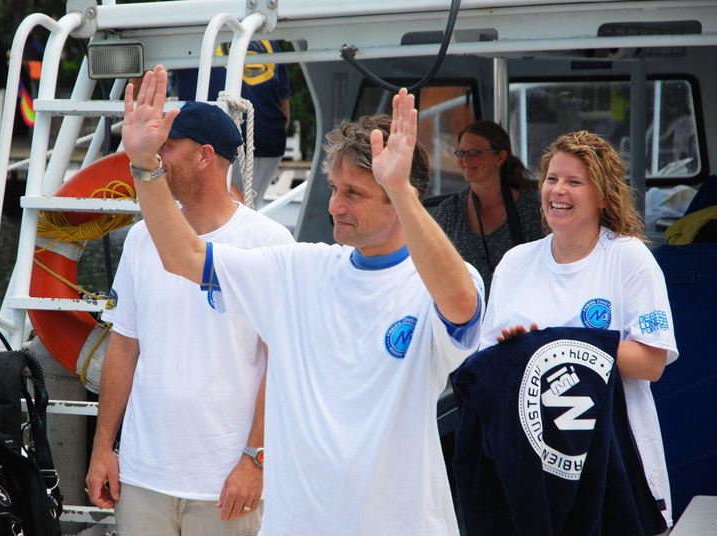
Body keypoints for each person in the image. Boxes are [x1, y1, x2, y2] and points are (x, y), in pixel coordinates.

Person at [123, 65, 485, 535]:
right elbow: (182, 254)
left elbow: (461, 305)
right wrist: (145, 166)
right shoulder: (297, 270)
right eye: (335, 189)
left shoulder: (436, 283)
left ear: (401, 198)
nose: (334, 206)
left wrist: (400, 191)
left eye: (354, 193)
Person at [85, 100, 294, 535]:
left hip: (226, 484)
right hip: (143, 477)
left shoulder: (270, 242)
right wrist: (103, 447)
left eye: (169, 144)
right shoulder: (143, 239)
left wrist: (255, 460)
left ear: (204, 156)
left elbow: (283, 363)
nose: (155, 154)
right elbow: (124, 345)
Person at [480, 130, 678, 529]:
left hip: (617, 472)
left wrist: (554, 343)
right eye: (552, 179)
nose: (558, 190)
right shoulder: (514, 263)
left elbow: (652, 361)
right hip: (534, 471)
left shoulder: (629, 259)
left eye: (574, 182)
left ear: (603, 195)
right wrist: (513, 353)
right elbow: (484, 368)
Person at [433, 120, 544, 297]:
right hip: (465, 318)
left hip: (517, 320)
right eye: (461, 152)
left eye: (475, 152)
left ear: (500, 157)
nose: (466, 159)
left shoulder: (531, 213)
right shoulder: (449, 212)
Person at [177, 39, 290, 209]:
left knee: (205, 213)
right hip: (268, 138)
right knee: (244, 212)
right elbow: (284, 108)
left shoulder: (194, 29)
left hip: (209, 140)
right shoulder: (268, 40)